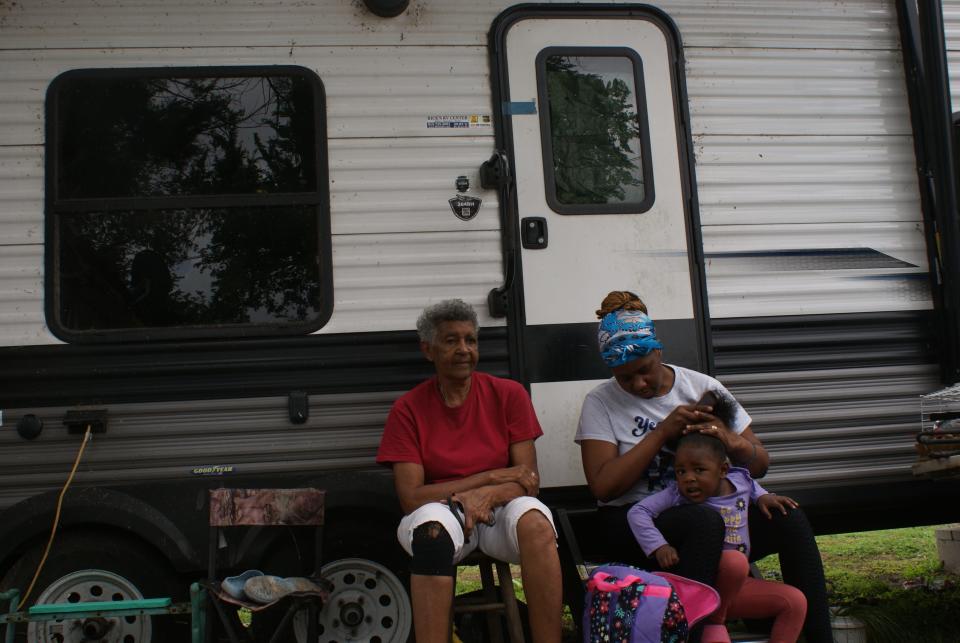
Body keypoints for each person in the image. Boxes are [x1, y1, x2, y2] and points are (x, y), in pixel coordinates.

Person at [575, 290, 831, 643]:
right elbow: (603, 487)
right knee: (703, 520)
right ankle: (697, 632)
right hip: (638, 522)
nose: (638, 384)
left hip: (713, 514)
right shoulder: (600, 402)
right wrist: (663, 431)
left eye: (644, 371)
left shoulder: (702, 386)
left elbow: (760, 464)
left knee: (790, 518)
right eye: (624, 377)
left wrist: (731, 440)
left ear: (658, 350)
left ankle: (820, 636)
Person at [376, 299, 562, 643]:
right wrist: (488, 478)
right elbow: (412, 498)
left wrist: (488, 494)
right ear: (428, 350)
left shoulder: (509, 395)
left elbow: (528, 480)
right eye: (451, 341)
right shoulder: (408, 409)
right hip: (443, 510)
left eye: (470, 340)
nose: (464, 349)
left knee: (537, 523)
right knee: (430, 534)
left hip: (499, 507)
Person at [629, 432, 807, 643]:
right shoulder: (676, 493)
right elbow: (638, 512)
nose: (688, 478)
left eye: (699, 470)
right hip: (706, 585)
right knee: (734, 561)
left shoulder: (740, 480)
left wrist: (764, 497)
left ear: (723, 470)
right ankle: (712, 620)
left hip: (736, 587)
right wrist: (659, 546)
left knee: (796, 601)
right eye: (681, 471)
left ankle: (717, 615)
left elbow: (754, 488)